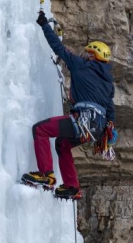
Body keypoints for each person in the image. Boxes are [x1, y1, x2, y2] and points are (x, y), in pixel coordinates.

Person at [22, 11, 117, 200]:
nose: (86, 55)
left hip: (83, 121)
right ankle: (72, 187)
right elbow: (110, 109)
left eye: (89, 53)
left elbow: (59, 48)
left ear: (94, 55)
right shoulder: (108, 82)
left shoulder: (81, 65)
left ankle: (46, 175)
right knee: (62, 144)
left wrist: (44, 25)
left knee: (40, 130)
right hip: (97, 128)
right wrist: (108, 129)